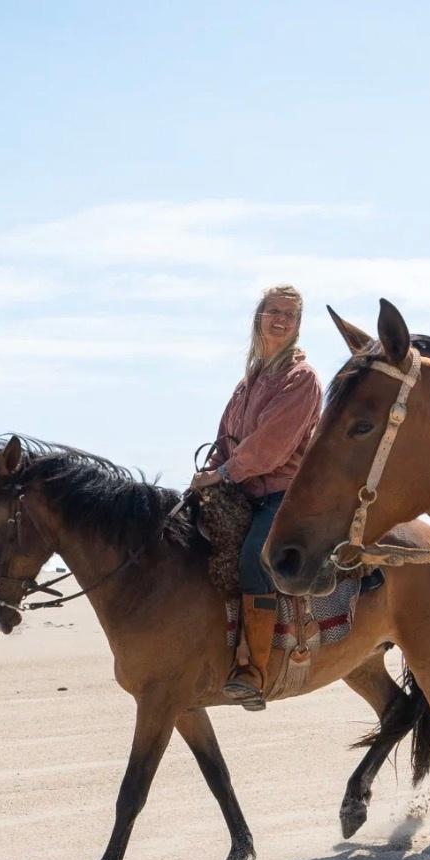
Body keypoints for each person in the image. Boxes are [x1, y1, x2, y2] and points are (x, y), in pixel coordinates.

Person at [191, 285, 322, 707]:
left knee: (253, 557)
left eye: (289, 315)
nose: (280, 320)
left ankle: (254, 670)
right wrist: (212, 471)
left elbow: (271, 447)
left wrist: (226, 472)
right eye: (273, 312)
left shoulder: (301, 380)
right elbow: (226, 439)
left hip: (283, 495)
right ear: (259, 318)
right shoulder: (247, 383)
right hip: (242, 490)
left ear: (298, 326)